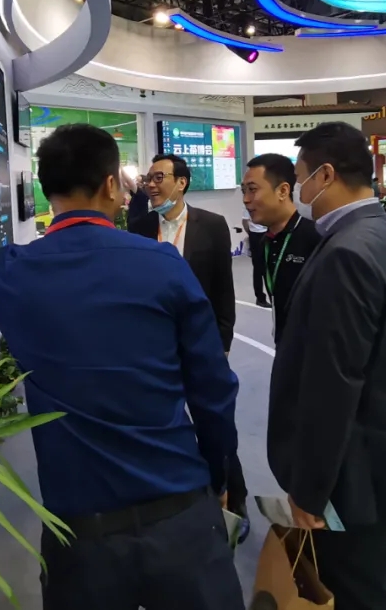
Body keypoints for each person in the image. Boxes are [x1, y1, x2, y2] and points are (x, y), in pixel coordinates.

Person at [0, 124, 243, 610]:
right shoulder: (164, 264)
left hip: (80, 535)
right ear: (111, 185)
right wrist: (216, 476)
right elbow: (213, 389)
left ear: (47, 190)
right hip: (180, 514)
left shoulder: (12, 272)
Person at [268, 122, 386, 610]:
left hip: (349, 471)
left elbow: (333, 383)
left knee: (356, 588)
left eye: (301, 178)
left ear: (326, 175)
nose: (300, 191)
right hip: (379, 455)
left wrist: (310, 490)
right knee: (383, 580)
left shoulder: (345, 253)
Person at [130, 154, 249, 543]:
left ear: (181, 182)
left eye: (158, 177)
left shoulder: (211, 225)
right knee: (164, 425)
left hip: (202, 344)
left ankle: (235, 501)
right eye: (148, 178)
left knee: (216, 425)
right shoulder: (140, 226)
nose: (151, 185)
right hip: (155, 348)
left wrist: (223, 342)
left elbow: (223, 288)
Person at [240, 153, 321, 344]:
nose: (245, 199)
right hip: (284, 345)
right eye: (244, 191)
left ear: (283, 191)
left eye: (252, 190)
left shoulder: (316, 238)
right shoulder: (266, 242)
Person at [242, 207, 271, 308]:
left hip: (267, 232)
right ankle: (260, 298)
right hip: (256, 235)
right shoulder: (249, 204)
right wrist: (251, 234)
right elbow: (245, 221)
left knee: (268, 266)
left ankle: (272, 296)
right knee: (258, 268)